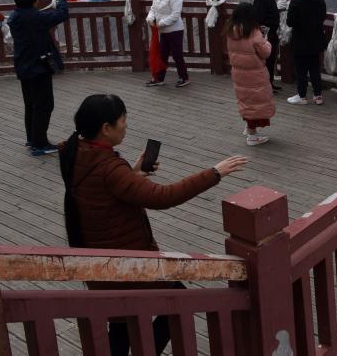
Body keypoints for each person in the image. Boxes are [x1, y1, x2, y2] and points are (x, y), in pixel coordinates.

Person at [59, 93, 247, 356]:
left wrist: (133, 175)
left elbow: (101, 190)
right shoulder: (110, 168)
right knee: (177, 302)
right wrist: (214, 173)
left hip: (101, 260)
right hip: (127, 265)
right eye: (123, 120)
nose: (126, 124)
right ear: (106, 128)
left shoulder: (75, 151)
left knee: (122, 323)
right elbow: (163, 197)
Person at [7, 0, 69, 155]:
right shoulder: (34, 17)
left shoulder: (16, 16)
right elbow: (61, 15)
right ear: (31, 1)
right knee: (44, 105)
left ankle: (32, 139)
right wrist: (62, 1)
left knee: (31, 104)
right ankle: (40, 144)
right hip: (38, 67)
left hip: (23, 65)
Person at [226, 2, 275, 146]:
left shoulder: (231, 31)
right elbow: (265, 53)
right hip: (255, 75)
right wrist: (266, 41)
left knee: (246, 101)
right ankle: (252, 136)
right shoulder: (254, 32)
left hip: (239, 73)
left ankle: (249, 127)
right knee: (256, 103)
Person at [285, 0, 327, 106]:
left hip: (300, 41)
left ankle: (302, 96)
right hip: (316, 41)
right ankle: (318, 96)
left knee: (301, 70)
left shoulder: (295, 2)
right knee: (315, 68)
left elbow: (290, 22)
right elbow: (323, 17)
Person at [145, 0, 189, 88]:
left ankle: (184, 78)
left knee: (177, 55)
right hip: (163, 31)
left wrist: (160, 23)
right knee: (162, 55)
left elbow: (175, 15)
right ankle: (159, 79)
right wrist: (150, 19)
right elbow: (153, 9)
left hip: (175, 31)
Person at [253, 0, 282, 92]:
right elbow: (257, 18)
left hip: (273, 34)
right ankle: (265, 84)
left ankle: (270, 82)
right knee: (266, 60)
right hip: (266, 35)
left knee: (271, 59)